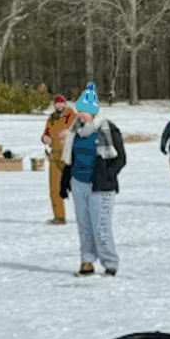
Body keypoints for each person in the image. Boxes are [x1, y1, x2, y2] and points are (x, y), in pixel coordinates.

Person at [59, 83, 126, 276]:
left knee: (101, 226)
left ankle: (110, 262)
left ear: (93, 112)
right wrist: (65, 182)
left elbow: (120, 159)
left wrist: (106, 176)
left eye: (84, 112)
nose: (80, 115)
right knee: (84, 225)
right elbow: (70, 158)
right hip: (78, 182)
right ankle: (87, 261)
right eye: (79, 111)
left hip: (100, 186)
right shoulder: (76, 131)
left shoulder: (108, 130)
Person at [41, 94, 77, 224]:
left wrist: (69, 133)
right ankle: (59, 217)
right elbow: (46, 132)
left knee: (78, 188)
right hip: (55, 156)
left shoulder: (72, 116)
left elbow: (80, 131)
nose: (59, 105)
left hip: (70, 156)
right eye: (57, 103)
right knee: (54, 188)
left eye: (61, 103)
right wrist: (45, 138)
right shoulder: (51, 118)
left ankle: (89, 216)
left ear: (65, 104)